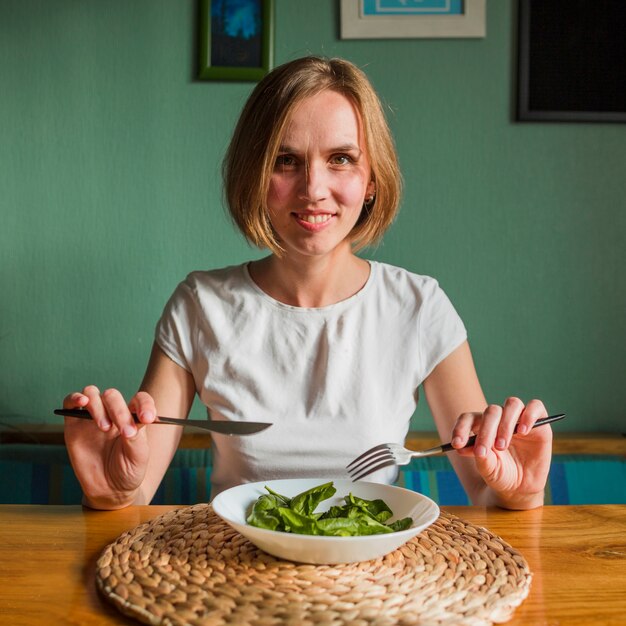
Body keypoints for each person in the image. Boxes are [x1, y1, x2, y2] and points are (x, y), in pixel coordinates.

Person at [63, 56, 552, 511]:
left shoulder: (420, 307)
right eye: (285, 160)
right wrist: (112, 491)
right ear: (255, 176)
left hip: (378, 581)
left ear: (372, 180)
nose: (314, 188)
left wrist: (520, 490)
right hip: (236, 574)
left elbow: (487, 491)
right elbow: (137, 488)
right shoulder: (199, 305)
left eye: (341, 158)